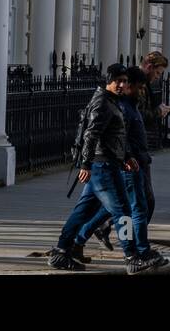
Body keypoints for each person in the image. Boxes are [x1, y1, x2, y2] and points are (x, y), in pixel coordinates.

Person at [48, 64, 150, 274]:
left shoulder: (112, 101)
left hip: (109, 164)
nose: (122, 85)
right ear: (109, 81)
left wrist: (127, 156)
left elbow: (114, 135)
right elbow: (91, 135)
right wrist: (85, 164)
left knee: (82, 212)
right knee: (124, 212)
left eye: (124, 81)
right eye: (118, 81)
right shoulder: (103, 102)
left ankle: (60, 252)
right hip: (103, 167)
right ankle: (132, 257)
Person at [86, 67, 166, 267]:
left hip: (126, 163)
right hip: (120, 166)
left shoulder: (127, 105)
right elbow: (100, 136)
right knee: (131, 211)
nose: (140, 92)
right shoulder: (115, 106)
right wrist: (86, 164)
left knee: (119, 210)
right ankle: (135, 253)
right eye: (138, 87)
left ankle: (78, 239)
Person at [136, 50, 170, 220]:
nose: (158, 77)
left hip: (139, 148)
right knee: (145, 200)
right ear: (149, 67)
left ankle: (133, 240)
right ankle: (134, 242)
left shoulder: (143, 85)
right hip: (134, 150)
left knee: (135, 200)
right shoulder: (139, 87)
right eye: (157, 72)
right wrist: (158, 112)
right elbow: (137, 117)